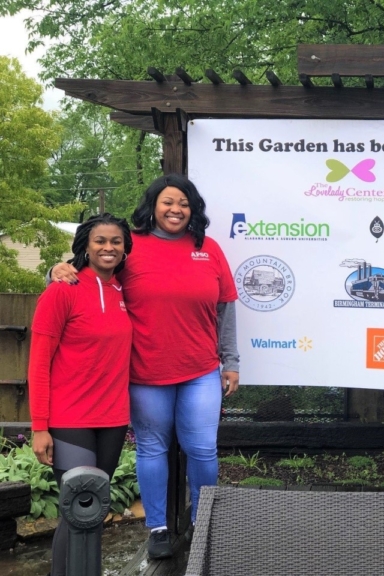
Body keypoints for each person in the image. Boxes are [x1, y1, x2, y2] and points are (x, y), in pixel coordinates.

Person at [51, 174, 239, 560]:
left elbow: (226, 307)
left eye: (184, 203)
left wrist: (231, 360)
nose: (176, 209)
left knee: (202, 448)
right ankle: (158, 528)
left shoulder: (209, 249)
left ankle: (204, 522)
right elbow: (88, 274)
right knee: (152, 448)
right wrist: (55, 271)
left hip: (201, 369)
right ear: (153, 205)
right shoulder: (131, 247)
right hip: (146, 372)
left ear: (193, 209)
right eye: (168, 202)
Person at [30, 213, 133, 576]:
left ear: (125, 248)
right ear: (85, 247)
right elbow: (38, 363)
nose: (108, 247)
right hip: (70, 418)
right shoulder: (62, 291)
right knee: (78, 506)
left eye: (116, 241)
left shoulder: (125, 291)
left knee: (96, 508)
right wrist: (39, 427)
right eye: (100, 241)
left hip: (113, 418)